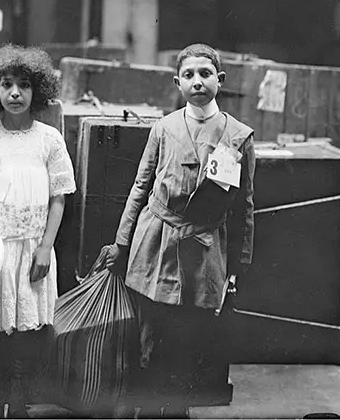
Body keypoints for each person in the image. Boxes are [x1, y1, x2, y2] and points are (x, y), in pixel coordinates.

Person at [106, 43, 256, 419]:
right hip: (156, 241)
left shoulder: (238, 136)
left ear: (219, 80)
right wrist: (123, 242)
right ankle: (147, 405)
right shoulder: (164, 127)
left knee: (189, 335)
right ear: (177, 82)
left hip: (204, 249)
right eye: (188, 75)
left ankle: (176, 408)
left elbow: (244, 206)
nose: (197, 82)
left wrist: (238, 264)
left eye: (205, 74)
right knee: (149, 330)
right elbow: (141, 186)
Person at [0, 45, 76, 419]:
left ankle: (19, 403)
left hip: (32, 248)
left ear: (38, 89)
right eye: (7, 85)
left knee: (24, 333)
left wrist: (45, 247)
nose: (16, 94)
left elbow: (59, 198)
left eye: (24, 85)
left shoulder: (49, 140)